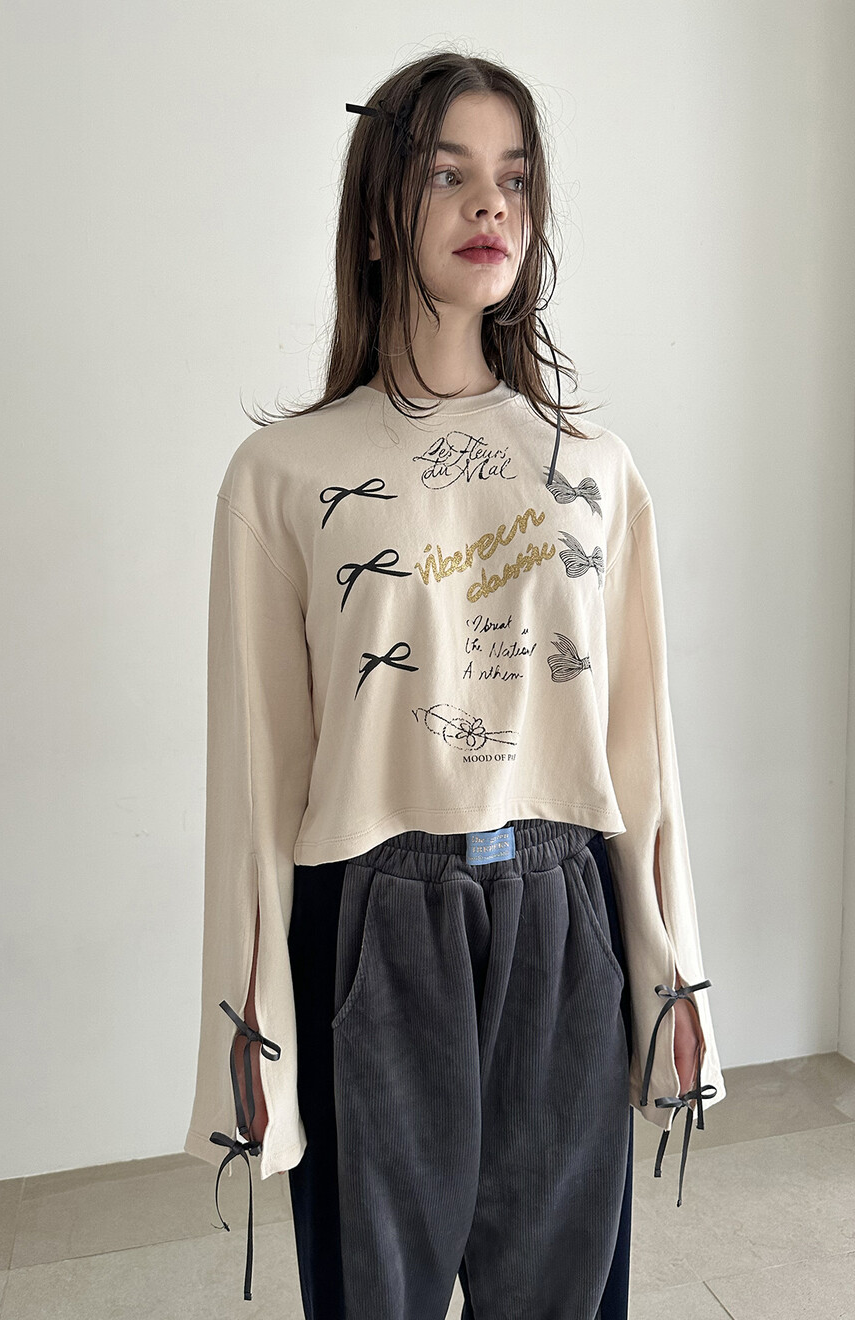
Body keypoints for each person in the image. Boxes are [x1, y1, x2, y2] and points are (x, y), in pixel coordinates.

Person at [184, 49, 726, 1320]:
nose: (491, 206)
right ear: (380, 216)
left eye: (515, 180)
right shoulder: (285, 475)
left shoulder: (594, 469)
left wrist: (673, 976)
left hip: (564, 910)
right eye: (448, 176)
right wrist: (247, 1040)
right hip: (370, 925)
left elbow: (639, 756)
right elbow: (257, 780)